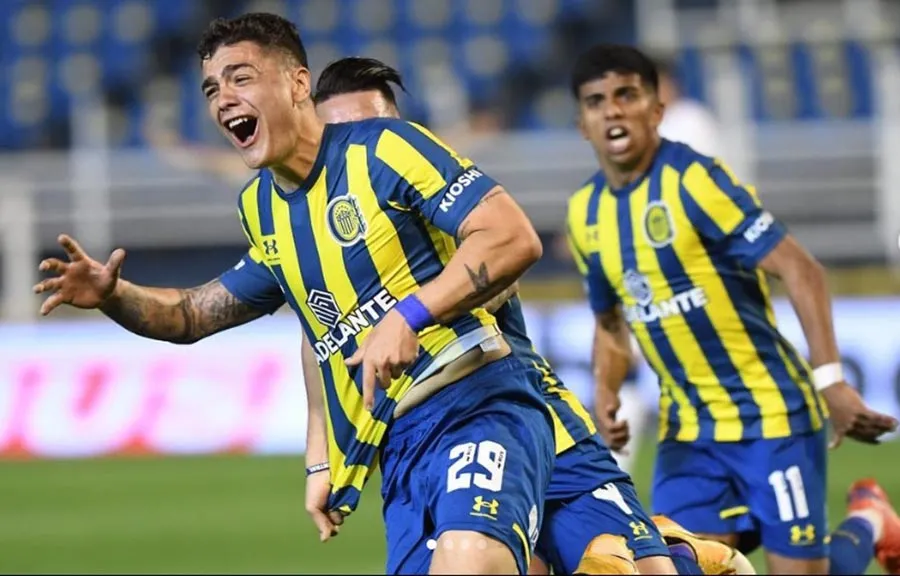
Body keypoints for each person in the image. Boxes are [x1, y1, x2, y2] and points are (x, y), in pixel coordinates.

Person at [35, 12, 556, 576]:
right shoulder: (260, 208)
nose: (222, 99)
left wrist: (410, 314)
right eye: (212, 88)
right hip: (397, 449)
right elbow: (193, 315)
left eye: (241, 78)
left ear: (298, 84)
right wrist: (114, 295)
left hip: (477, 401)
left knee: (470, 563)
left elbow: (509, 236)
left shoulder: (383, 148)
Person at [314, 56, 757, 576]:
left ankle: (671, 553)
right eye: (341, 135)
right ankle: (677, 552)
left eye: (372, 130)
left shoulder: (433, 206)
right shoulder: (322, 241)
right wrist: (321, 458)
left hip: (515, 418)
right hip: (423, 448)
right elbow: (314, 331)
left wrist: (417, 308)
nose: (357, 148)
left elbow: (504, 266)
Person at [564, 43, 900, 576]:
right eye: (596, 100)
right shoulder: (584, 213)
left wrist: (832, 380)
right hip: (688, 431)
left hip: (773, 417)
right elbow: (609, 319)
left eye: (627, 95)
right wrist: (605, 392)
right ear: (582, 122)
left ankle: (869, 522)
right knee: (676, 567)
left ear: (656, 109)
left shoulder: (695, 181)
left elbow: (802, 269)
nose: (613, 110)